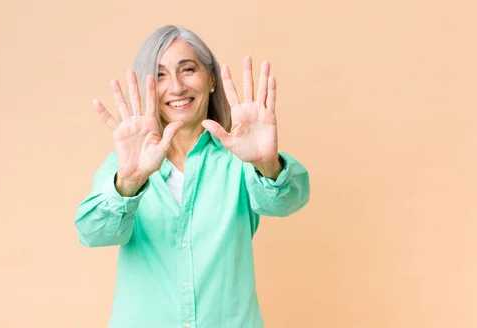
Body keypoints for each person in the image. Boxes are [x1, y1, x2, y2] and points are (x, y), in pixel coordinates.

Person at [74, 25, 310, 328]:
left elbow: (288, 201)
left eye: (187, 69)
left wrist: (267, 164)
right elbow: (93, 234)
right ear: (147, 89)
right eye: (159, 75)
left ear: (211, 79)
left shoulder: (240, 160)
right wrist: (130, 182)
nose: (176, 87)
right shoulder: (124, 165)